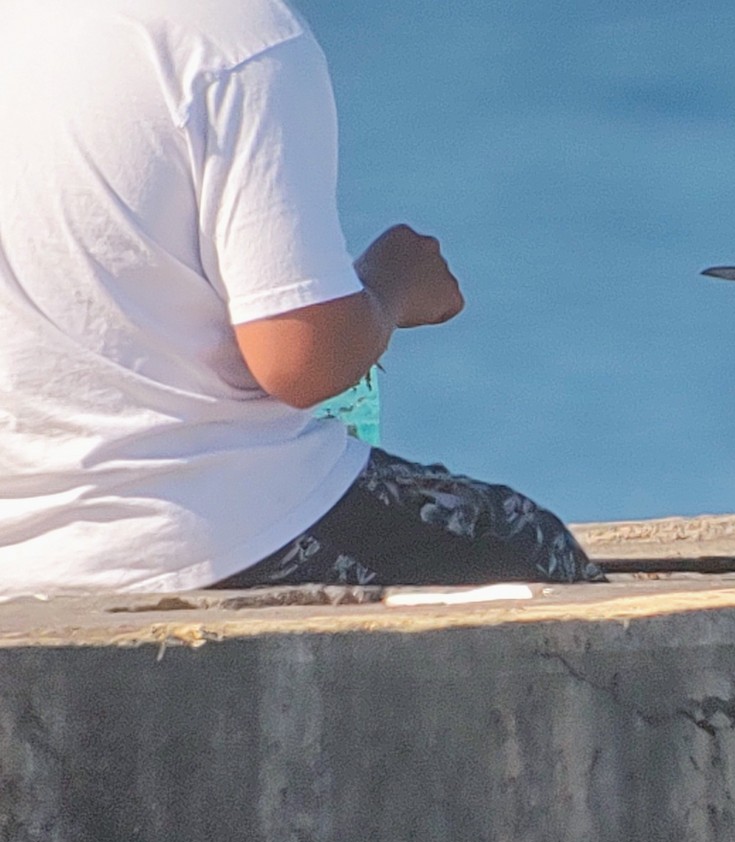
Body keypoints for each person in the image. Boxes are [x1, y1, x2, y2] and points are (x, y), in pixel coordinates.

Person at [0, 0, 603, 591]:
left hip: (18, 558)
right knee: (529, 546)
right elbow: (301, 360)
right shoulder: (234, 36)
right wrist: (390, 285)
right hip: (199, 535)